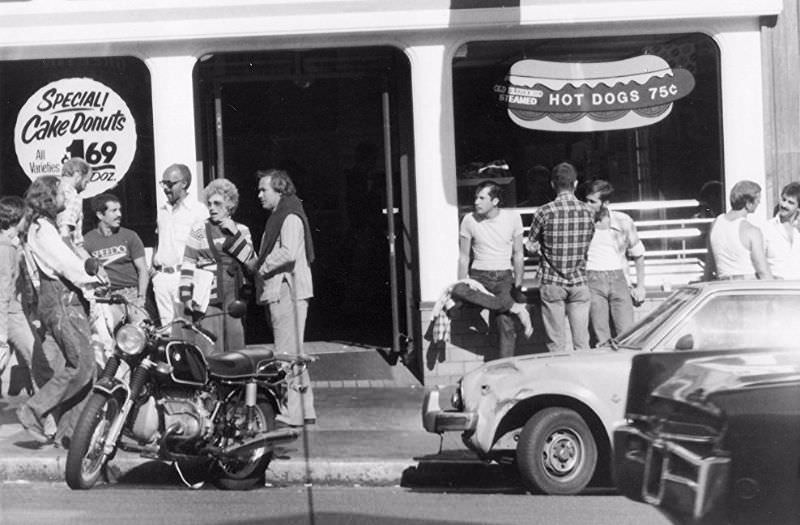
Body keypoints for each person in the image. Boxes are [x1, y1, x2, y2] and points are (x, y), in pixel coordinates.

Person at [17, 175, 102, 445]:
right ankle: (33, 410)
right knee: (82, 367)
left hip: (58, 300)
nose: (67, 197)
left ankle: (70, 436)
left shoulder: (42, 227)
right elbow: (65, 264)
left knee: (82, 370)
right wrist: (94, 280)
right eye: (62, 193)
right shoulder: (43, 229)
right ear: (49, 198)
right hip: (62, 300)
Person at [250, 169, 316, 427]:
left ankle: (294, 412)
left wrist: (261, 267)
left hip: (287, 290)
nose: (259, 195)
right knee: (295, 352)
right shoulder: (282, 215)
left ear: (279, 190)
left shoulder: (288, 217)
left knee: (286, 354)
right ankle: (305, 409)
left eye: (263, 190)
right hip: (286, 290)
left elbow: (287, 252)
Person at [177, 178, 255, 355]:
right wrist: (186, 295)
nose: (211, 207)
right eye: (209, 203)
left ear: (230, 204)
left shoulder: (242, 230)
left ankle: (236, 381)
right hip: (208, 293)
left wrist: (234, 233)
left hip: (234, 292)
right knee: (209, 340)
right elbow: (188, 262)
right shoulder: (199, 229)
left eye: (217, 203)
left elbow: (250, 261)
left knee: (236, 340)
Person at [526, 162, 595, 353]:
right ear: (575, 183)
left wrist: (540, 247)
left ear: (552, 185)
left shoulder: (544, 211)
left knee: (556, 343)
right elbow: (589, 240)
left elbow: (530, 245)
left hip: (552, 281)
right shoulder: (589, 211)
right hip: (579, 280)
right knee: (582, 342)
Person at [458, 180, 531, 360]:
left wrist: (518, 284)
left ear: (495, 201)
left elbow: (518, 253)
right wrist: (463, 281)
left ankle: (504, 366)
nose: (476, 202)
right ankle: (515, 308)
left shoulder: (512, 218)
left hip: (503, 277)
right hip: (478, 277)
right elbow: (464, 256)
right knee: (458, 289)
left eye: (482, 198)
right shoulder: (469, 220)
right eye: (476, 197)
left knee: (504, 322)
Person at [83, 193, 150, 359]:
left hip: (132, 295)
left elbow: (143, 269)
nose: (119, 214)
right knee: (110, 344)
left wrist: (141, 297)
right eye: (113, 211)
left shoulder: (130, 236)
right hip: (107, 298)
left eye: (119, 210)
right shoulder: (88, 240)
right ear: (100, 215)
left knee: (143, 338)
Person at [0, 196, 53, 397]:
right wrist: (2, 333)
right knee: (38, 361)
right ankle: (49, 418)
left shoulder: (9, 244)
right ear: (16, 219)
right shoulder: (6, 247)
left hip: (12, 311)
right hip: (9, 313)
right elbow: (3, 290)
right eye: (25, 217)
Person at [582, 180, 646, 345]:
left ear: (606, 203)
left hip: (619, 278)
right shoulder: (581, 222)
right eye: (586, 200)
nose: (587, 205)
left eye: (592, 202)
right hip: (592, 279)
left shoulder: (623, 220)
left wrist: (640, 286)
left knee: (627, 333)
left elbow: (638, 253)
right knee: (600, 335)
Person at [151, 164, 209, 328]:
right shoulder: (163, 210)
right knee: (166, 329)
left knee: (186, 328)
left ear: (183, 183)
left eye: (170, 184)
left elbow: (203, 245)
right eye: (163, 184)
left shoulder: (198, 211)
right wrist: (153, 266)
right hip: (162, 278)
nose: (166, 189)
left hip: (184, 277)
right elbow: (158, 237)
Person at [704, 180, 772, 281]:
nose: (759, 202)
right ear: (748, 203)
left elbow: (710, 265)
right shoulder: (752, 231)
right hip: (746, 286)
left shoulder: (715, 224)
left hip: (723, 286)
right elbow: (763, 272)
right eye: (757, 199)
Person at [761, 181, 800, 279]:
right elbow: (758, 263)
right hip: (775, 289)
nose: (784, 205)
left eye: (790, 202)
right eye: (783, 200)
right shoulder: (767, 228)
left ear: (798, 208)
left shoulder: (798, 232)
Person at [57, 158, 93, 259]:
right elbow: (65, 231)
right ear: (78, 176)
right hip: (67, 254)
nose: (85, 187)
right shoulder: (73, 196)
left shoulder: (51, 191)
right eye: (86, 182)